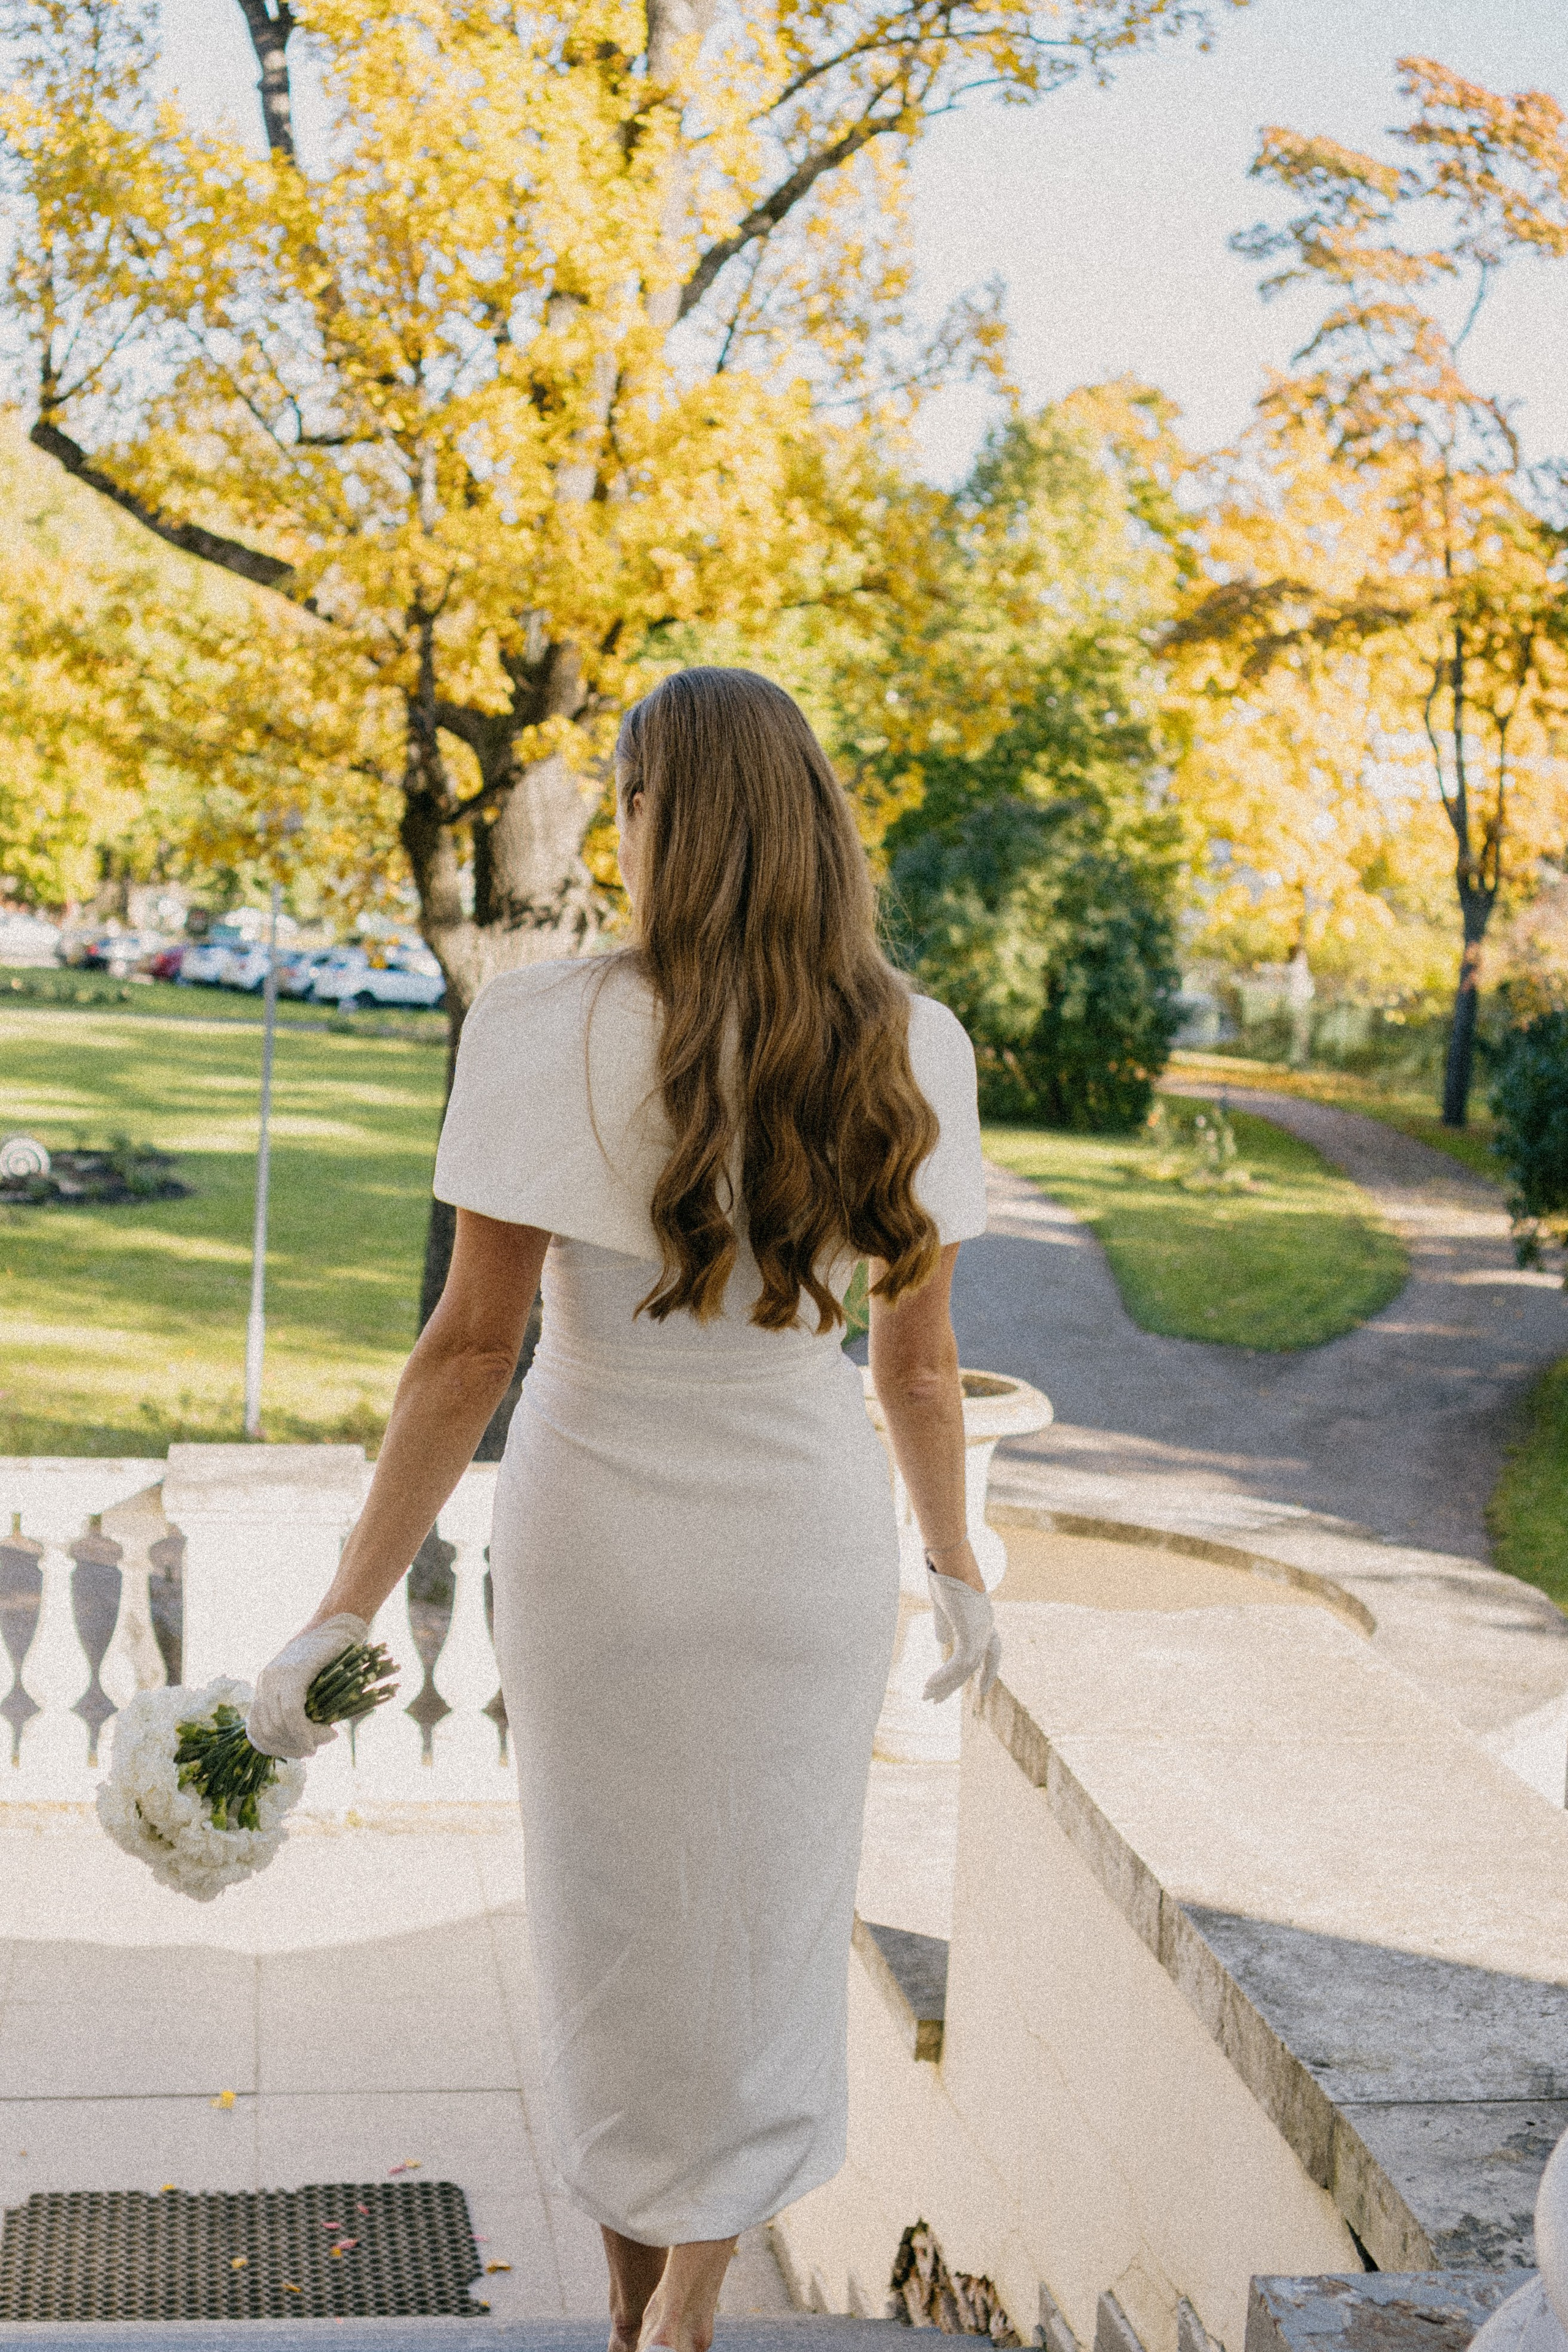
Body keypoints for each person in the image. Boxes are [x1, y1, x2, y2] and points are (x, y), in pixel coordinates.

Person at [245, 667, 999, 2352]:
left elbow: (466, 1356)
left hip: (596, 1560)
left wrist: (342, 1611)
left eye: (625, 795)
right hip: (803, 1561)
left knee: (613, 1933)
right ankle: (692, 2306)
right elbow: (923, 1375)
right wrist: (962, 1569)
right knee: (764, 1930)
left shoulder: (533, 1024)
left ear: (669, 819)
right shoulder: (915, 1044)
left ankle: (631, 2310)